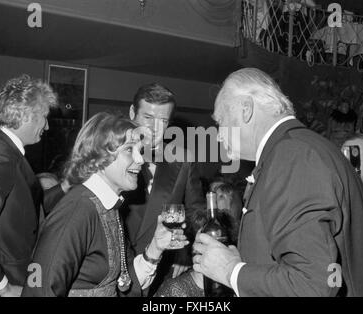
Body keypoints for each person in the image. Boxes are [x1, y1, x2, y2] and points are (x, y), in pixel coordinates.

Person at [192, 67, 363, 297]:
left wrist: (231, 271)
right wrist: (243, 265)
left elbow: (312, 284)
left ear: (245, 109)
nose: (218, 134)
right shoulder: (300, 147)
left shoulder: (293, 154)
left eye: (221, 121)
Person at [21, 112, 188, 297]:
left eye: (140, 151)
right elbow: (39, 290)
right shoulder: (78, 210)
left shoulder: (109, 207)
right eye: (128, 150)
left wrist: (155, 248)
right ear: (98, 155)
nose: (141, 160)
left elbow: (123, 284)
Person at [0, 75, 67, 297]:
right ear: (27, 115)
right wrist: (2, 287)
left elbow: (30, 208)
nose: (47, 126)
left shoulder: (7, 150)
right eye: (45, 118)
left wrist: (67, 185)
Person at [122, 83, 205, 295]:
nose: (154, 129)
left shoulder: (183, 159)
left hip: (164, 272)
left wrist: (185, 253)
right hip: (119, 266)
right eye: (147, 118)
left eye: (163, 121)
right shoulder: (113, 154)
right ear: (132, 113)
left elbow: (196, 213)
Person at [155, 180, 242, 297]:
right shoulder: (177, 289)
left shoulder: (239, 282)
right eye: (213, 194)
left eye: (221, 196)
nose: (215, 199)